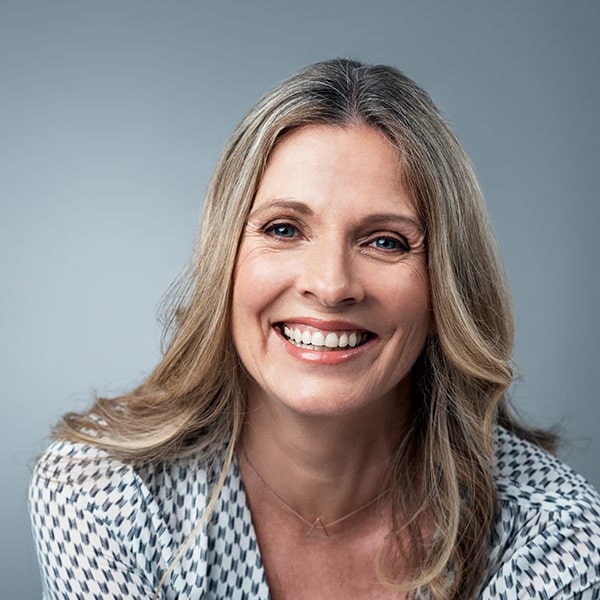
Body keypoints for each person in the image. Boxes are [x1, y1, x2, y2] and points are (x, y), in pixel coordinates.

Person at [29, 58, 600, 600]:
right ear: (226, 258)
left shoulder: (555, 535)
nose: (330, 286)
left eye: (385, 241)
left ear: (445, 284)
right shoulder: (101, 493)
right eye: (283, 229)